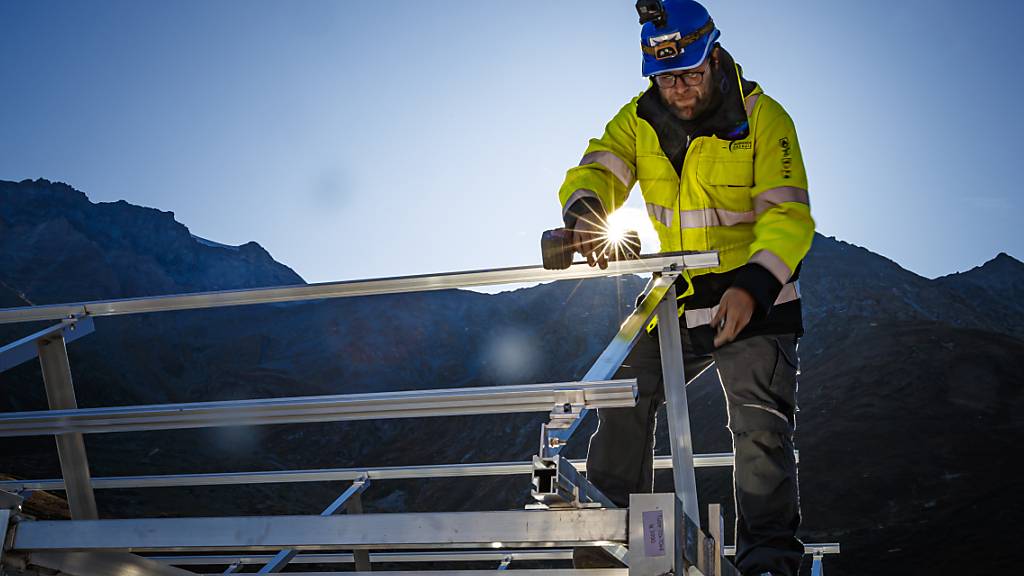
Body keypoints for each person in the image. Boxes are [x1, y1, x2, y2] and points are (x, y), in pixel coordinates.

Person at [556, 1, 815, 575]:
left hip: (757, 293)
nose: (679, 89)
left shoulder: (764, 118)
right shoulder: (638, 119)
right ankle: (610, 543)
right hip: (678, 291)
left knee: (758, 423)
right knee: (623, 397)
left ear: (715, 56)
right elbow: (598, 168)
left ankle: (769, 559)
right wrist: (585, 212)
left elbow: (789, 217)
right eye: (666, 77)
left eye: (691, 74)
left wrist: (754, 284)